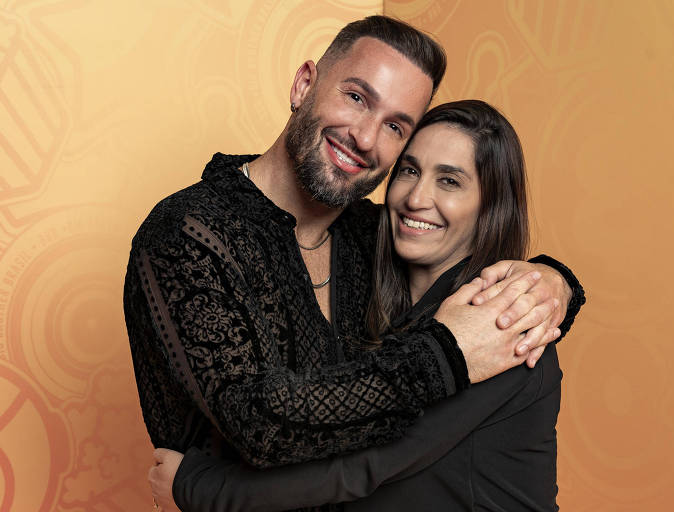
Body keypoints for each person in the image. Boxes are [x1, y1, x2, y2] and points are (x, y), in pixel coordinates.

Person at [125, 15, 583, 511]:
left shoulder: (375, 235)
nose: (365, 138)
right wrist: (446, 356)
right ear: (304, 84)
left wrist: (554, 280)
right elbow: (262, 428)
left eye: (394, 126)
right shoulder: (187, 234)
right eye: (357, 97)